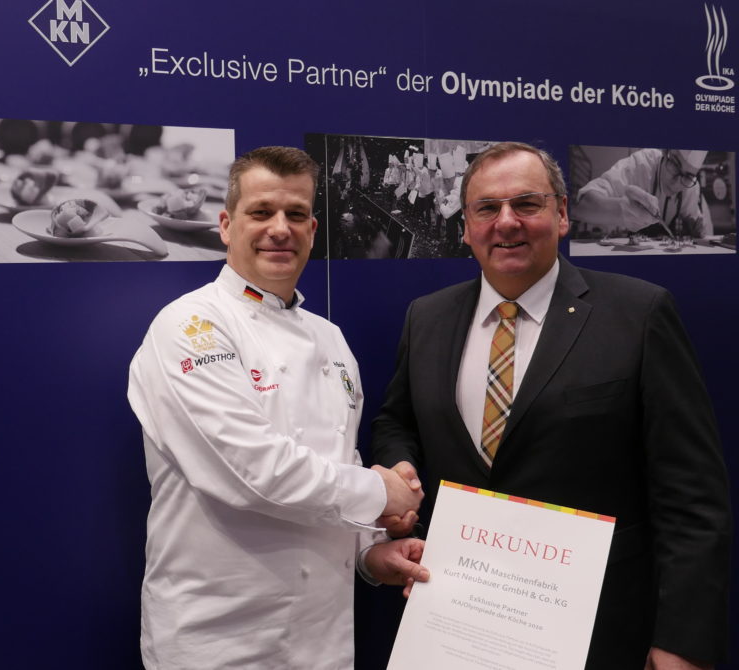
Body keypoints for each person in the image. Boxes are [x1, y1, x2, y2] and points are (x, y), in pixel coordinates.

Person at [371, 141, 731, 670]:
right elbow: (397, 421)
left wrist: (683, 640)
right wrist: (399, 464)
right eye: (487, 208)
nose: (506, 222)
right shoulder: (427, 317)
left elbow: (692, 493)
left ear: (562, 214)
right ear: (466, 225)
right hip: (457, 619)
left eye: (526, 204)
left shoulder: (639, 314)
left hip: (599, 630)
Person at [127, 146, 427, 669]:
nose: (280, 229)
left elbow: (337, 463)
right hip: (217, 639)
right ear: (226, 225)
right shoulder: (189, 326)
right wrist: (382, 492)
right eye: (261, 212)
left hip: (323, 638)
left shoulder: (330, 338)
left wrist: (369, 551)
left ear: (313, 229)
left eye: (295, 214)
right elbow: (253, 471)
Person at [573, 148, 713, 239]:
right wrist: (619, 210)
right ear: (665, 152)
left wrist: (695, 229)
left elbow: (694, 221)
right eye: (675, 165)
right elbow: (579, 207)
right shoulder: (641, 165)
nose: (677, 183)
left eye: (688, 176)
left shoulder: (691, 186)